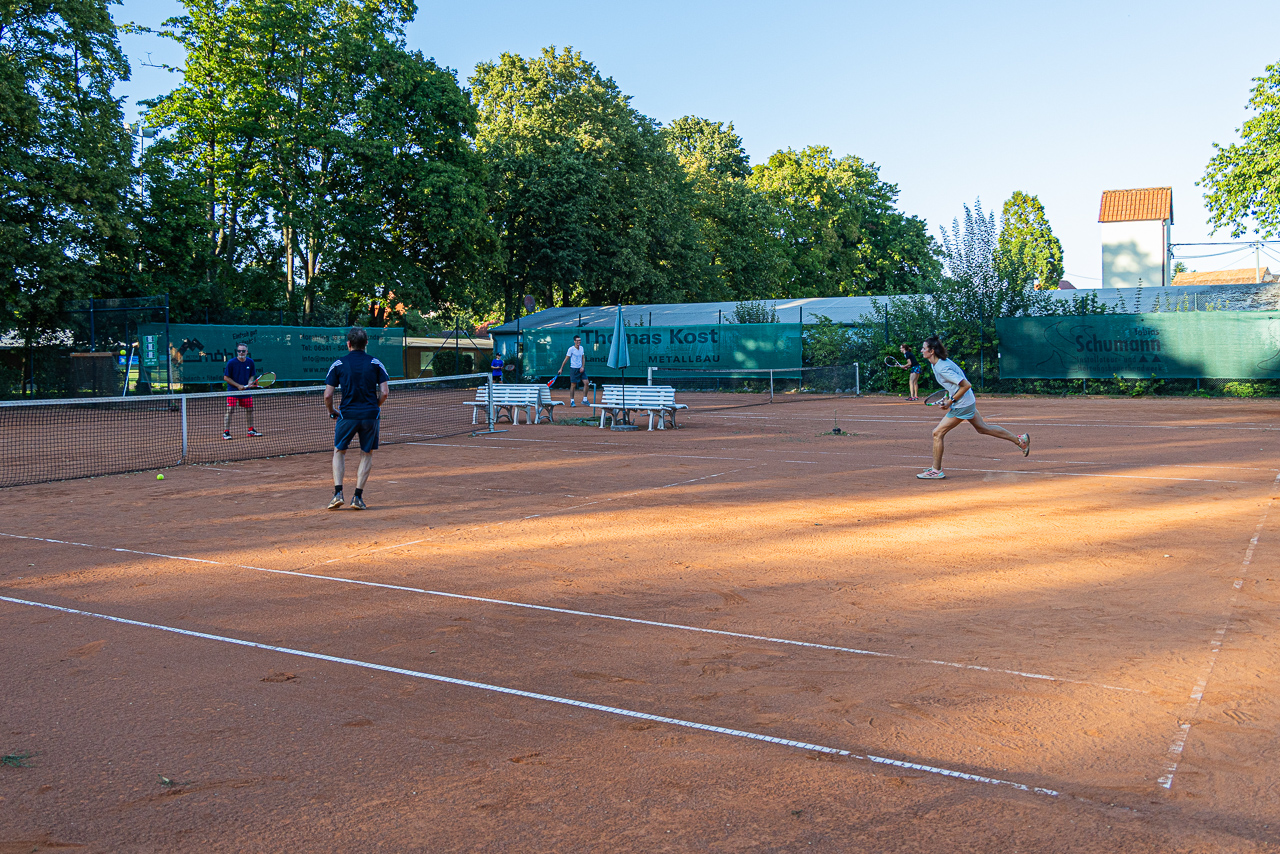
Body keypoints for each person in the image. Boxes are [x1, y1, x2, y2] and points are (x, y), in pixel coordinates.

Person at [917, 335, 1029, 480]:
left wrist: (951, 401)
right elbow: (952, 385)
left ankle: (936, 470)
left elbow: (966, 385)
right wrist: (948, 398)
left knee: (937, 433)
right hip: (966, 401)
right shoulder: (936, 364)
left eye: (924, 348)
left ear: (931, 351)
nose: (921, 350)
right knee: (983, 428)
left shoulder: (942, 367)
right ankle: (1020, 441)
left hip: (963, 404)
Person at [324, 327, 390, 510]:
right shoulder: (376, 363)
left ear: (349, 344)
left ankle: (338, 494)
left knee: (339, 451)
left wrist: (332, 411)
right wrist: (374, 406)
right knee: (366, 454)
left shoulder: (338, 364)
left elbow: (328, 395)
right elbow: (385, 392)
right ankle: (357, 497)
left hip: (347, 415)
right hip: (370, 415)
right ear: (366, 343)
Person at [222, 343, 262, 440]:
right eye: (239, 351)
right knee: (230, 410)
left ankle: (251, 430)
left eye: (243, 351)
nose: (241, 353)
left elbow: (251, 375)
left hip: (246, 391)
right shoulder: (231, 363)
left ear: (246, 352)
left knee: (250, 409)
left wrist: (250, 382)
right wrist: (238, 386)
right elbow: (226, 378)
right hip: (232, 391)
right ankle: (226, 432)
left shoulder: (250, 362)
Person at [556, 334, 590, 406]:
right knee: (573, 385)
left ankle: (585, 400)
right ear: (574, 341)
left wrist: (582, 367)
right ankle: (572, 401)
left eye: (579, 340)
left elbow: (583, 358)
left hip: (581, 369)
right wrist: (561, 368)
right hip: (573, 369)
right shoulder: (571, 349)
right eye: (577, 341)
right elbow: (566, 359)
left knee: (586, 383)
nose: (578, 342)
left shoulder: (582, 348)